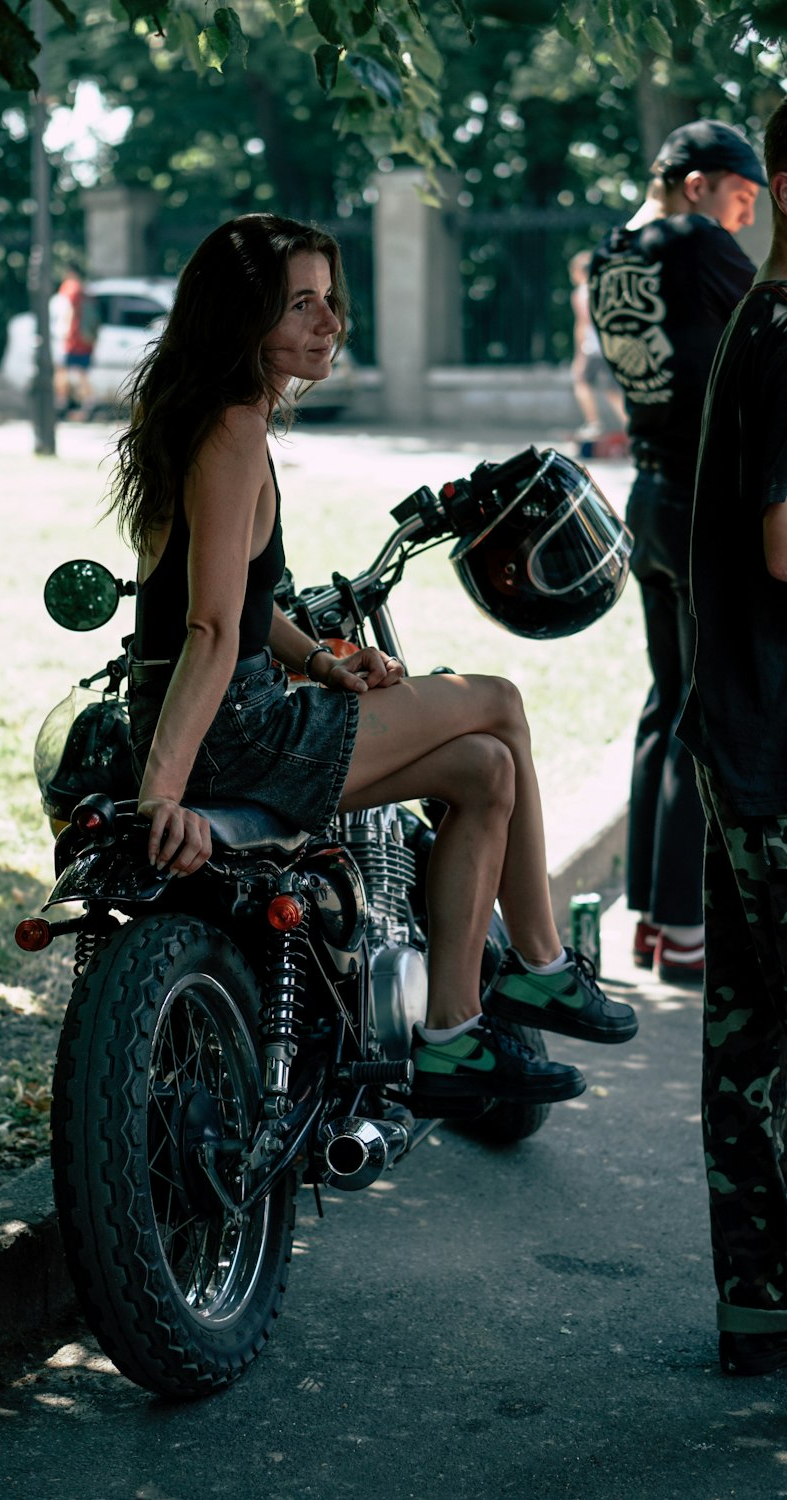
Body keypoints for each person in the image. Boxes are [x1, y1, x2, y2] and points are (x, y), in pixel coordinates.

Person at [109, 212, 637, 1118]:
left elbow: (239, 597)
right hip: (235, 730)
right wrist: (165, 790)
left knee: (484, 769)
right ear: (242, 319)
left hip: (215, 717)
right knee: (500, 700)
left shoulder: (199, 418)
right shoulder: (233, 425)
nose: (329, 323)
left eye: (330, 300)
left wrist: (323, 656)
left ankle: (451, 1035)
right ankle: (547, 968)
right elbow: (208, 630)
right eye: (300, 304)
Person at [588, 120, 765, 984]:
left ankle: (656, 921)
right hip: (702, 501)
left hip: (649, 494)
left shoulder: (616, 251)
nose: (743, 222)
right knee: (706, 707)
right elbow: (769, 320)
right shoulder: (695, 242)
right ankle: (692, 930)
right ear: (696, 184)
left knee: (667, 701)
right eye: (740, 198)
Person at [676, 99, 787, 1378]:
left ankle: (760, 1307)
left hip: (743, 730)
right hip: (774, 740)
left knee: (753, 1038)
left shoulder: (759, 315)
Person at [568, 250, 626, 443]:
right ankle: (629, 424)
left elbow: (583, 323)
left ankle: (594, 423)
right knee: (612, 389)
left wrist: (579, 353)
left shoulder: (582, 292)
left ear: (578, 272)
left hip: (593, 348)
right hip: (610, 346)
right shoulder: (605, 288)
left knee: (582, 382)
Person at [54, 265, 98, 419]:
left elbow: (70, 311)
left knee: (62, 370)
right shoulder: (86, 290)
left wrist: (65, 332)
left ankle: (62, 403)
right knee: (81, 372)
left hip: (73, 339)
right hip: (86, 339)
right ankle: (88, 403)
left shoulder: (71, 288)